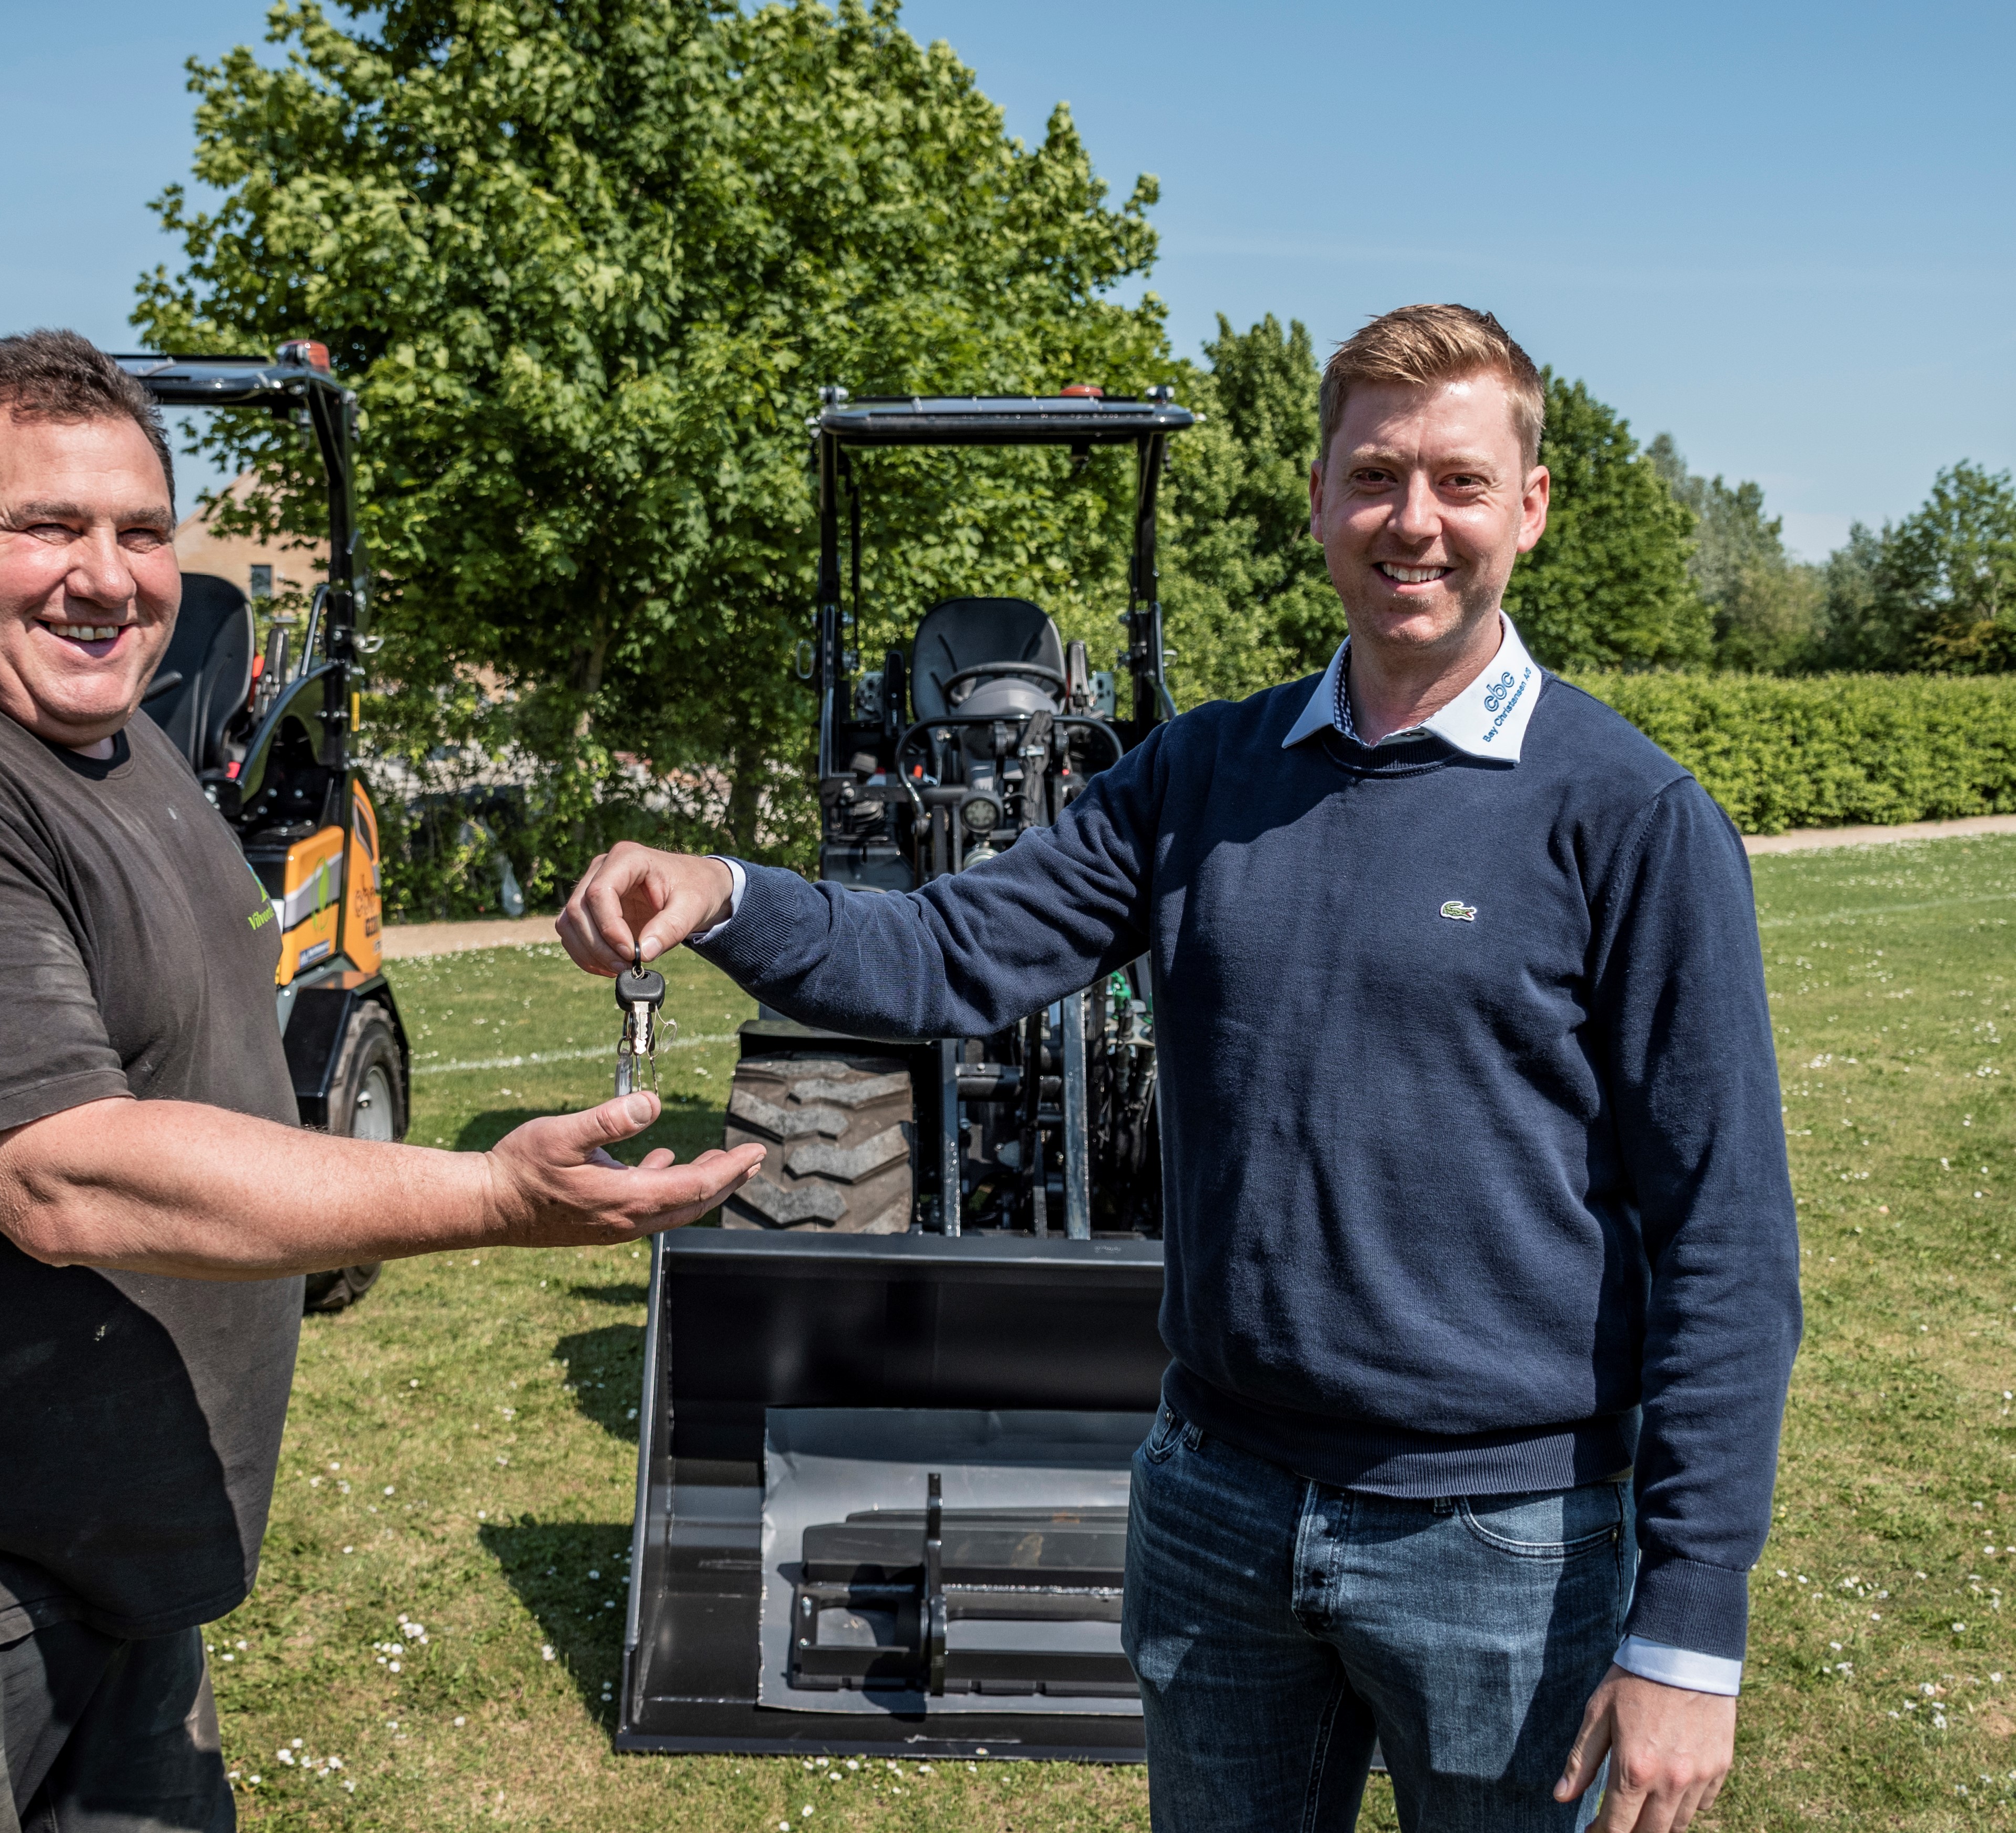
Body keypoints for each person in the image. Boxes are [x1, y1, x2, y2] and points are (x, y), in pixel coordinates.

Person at [557, 305, 1800, 1833]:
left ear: (1529, 509)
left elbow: (1728, 1242)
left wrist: (1688, 1624)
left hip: (1505, 1545)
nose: (1414, 522)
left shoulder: (1629, 816)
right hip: (1223, 1505)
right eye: (1375, 477)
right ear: (1320, 497)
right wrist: (727, 892)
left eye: (1460, 483)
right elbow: (948, 954)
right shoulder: (1204, 777)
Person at [0, 329, 763, 1833]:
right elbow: (63, 1173)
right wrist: (491, 1192)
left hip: (98, 1574)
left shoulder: (115, 747)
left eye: (142, 530)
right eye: (44, 526)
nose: (107, 575)